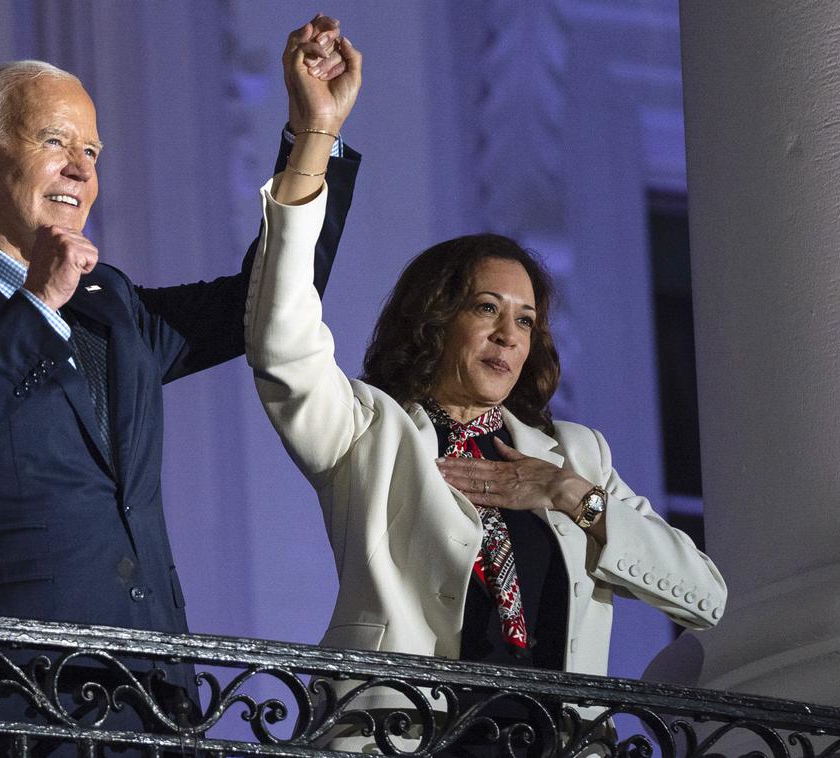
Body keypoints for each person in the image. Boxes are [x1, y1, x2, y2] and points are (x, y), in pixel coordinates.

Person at [0, 15, 358, 754]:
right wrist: (37, 305)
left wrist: (314, 135)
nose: (82, 169)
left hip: (148, 699)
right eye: (55, 142)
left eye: (92, 151)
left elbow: (267, 303)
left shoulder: (110, 305)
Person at [246, 38, 726, 753]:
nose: (509, 334)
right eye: (485, 309)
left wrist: (574, 497)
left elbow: (708, 600)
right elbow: (281, 336)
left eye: (526, 319)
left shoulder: (574, 453)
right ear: (437, 319)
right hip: (407, 739)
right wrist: (316, 135)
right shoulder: (368, 431)